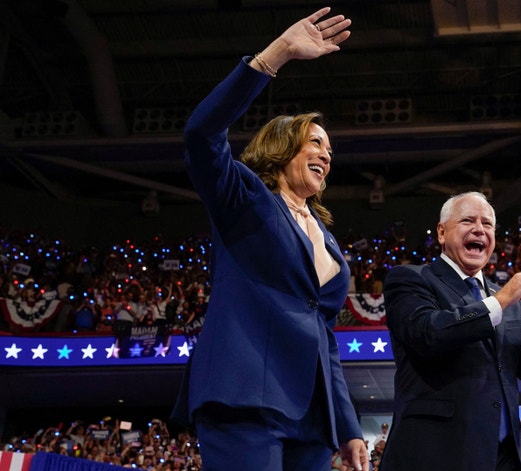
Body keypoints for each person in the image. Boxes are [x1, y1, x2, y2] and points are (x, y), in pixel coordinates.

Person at [170, 7, 367, 471]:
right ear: (282, 147)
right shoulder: (244, 197)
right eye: (315, 142)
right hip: (247, 398)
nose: (326, 154)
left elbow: (326, 337)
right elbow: (201, 134)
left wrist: (349, 425)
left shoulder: (328, 240)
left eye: (331, 150)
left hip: (312, 417)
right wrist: (274, 56)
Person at [381, 191, 521, 470]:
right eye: (468, 220)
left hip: (505, 457)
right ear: (442, 233)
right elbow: (429, 333)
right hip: (437, 454)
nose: (480, 229)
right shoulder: (410, 279)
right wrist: (502, 301)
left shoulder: (503, 297)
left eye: (488, 224)